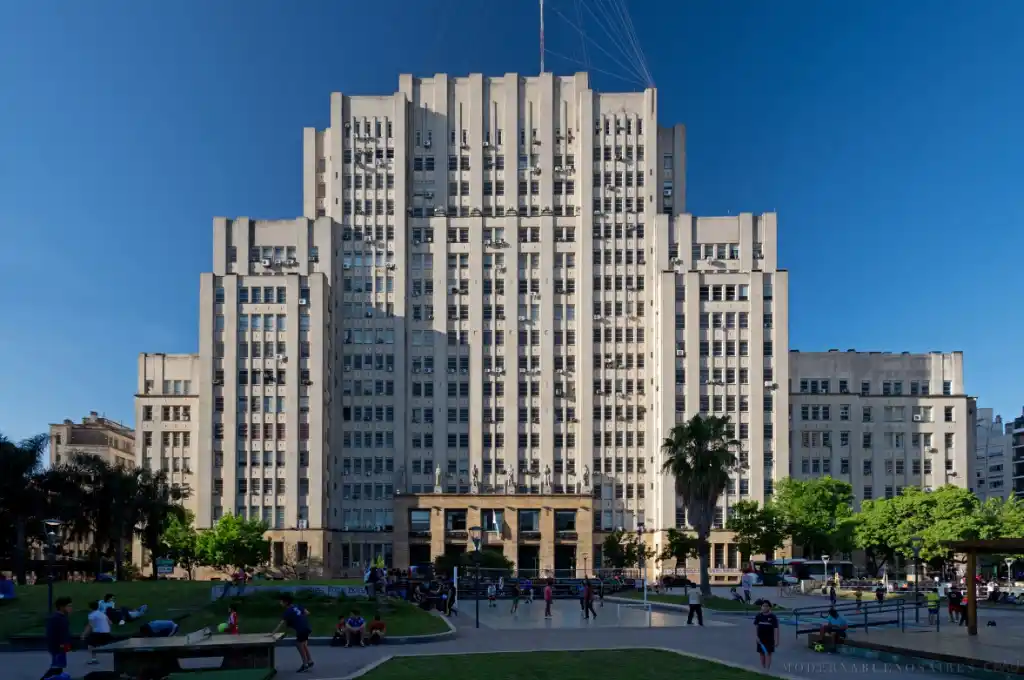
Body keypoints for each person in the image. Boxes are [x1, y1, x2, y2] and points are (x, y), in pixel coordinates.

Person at [272, 594, 314, 673]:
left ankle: (305, 664)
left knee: (298, 644)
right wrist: (300, 618)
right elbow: (307, 613)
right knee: (303, 644)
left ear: (286, 602)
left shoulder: (287, 611)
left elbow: (281, 624)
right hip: (307, 627)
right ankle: (310, 661)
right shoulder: (297, 606)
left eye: (281, 602)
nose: (280, 603)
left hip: (301, 629)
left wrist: (273, 633)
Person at [42, 596, 73, 680]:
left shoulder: (63, 617)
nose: (71, 608)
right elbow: (51, 634)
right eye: (69, 606)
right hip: (58, 646)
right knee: (56, 666)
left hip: (63, 645)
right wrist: (59, 646)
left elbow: (65, 633)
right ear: (61, 607)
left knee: (60, 665)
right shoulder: (55, 618)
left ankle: (56, 676)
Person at [82, 600, 113, 666]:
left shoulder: (91, 615)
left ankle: (94, 659)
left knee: (90, 645)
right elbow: (110, 623)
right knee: (101, 644)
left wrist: (84, 635)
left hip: (98, 633)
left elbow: (90, 626)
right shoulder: (103, 614)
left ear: (90, 608)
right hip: (107, 633)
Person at [753, 600, 780, 670]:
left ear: (769, 607)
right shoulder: (758, 616)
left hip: (769, 638)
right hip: (760, 638)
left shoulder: (772, 617)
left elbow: (776, 628)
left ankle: (767, 668)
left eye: (766, 606)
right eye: (763, 606)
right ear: (761, 607)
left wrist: (776, 640)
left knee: (768, 653)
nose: (764, 607)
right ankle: (763, 667)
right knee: (761, 653)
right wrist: (756, 637)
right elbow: (756, 626)